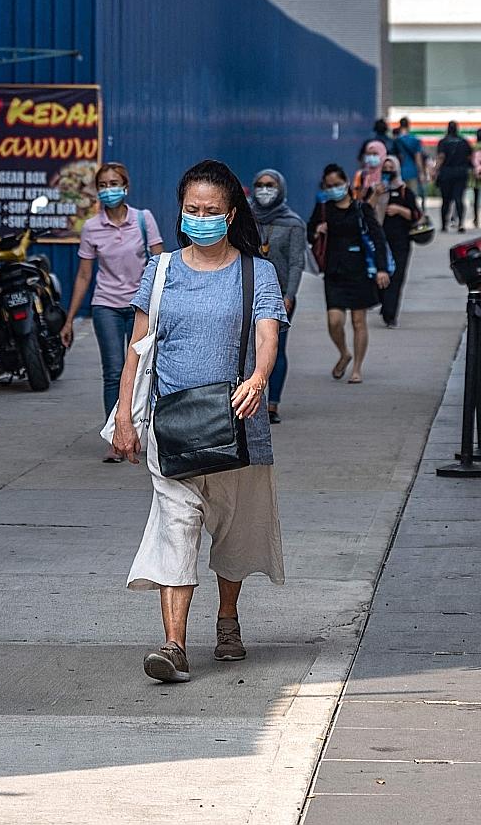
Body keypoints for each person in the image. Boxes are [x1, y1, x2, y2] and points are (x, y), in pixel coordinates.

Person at [111, 159, 288, 684]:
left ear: (231, 214)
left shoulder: (257, 271)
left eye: (212, 211)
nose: (201, 218)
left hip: (238, 421)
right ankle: (173, 644)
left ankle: (228, 618)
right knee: (177, 527)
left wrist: (258, 379)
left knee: (234, 532)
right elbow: (138, 350)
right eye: (192, 210)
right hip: (174, 425)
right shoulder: (161, 270)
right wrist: (125, 416)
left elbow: (267, 334)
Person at [62, 162, 164, 460]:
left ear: (126, 186)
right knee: (113, 371)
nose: (109, 189)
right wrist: (69, 319)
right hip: (105, 304)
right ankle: (116, 437)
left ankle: (149, 433)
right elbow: (83, 276)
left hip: (140, 308)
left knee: (145, 370)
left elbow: (161, 265)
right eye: (103, 185)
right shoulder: (92, 227)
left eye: (114, 183)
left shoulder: (144, 221)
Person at [307, 164, 392, 384]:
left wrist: (381, 268)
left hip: (359, 271)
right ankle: (344, 352)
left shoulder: (361, 209)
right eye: (329, 186)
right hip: (334, 272)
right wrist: (317, 230)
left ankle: (357, 368)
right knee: (334, 320)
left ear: (346, 183)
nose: (334, 188)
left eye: (337, 184)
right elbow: (309, 232)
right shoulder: (324, 209)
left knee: (358, 321)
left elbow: (378, 238)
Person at [249, 169, 305, 424]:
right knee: (248, 350)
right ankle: (250, 401)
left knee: (275, 348)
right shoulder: (245, 217)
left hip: (279, 295)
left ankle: (273, 404)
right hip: (248, 292)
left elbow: (296, 262)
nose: (264, 189)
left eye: (270, 185)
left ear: (280, 188)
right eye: (259, 184)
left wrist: (290, 294)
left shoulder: (293, 223)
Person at [378, 156, 419, 329]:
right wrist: (376, 195)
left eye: (391, 167)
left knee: (397, 278)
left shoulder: (405, 191)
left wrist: (399, 210)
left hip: (401, 241)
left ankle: (390, 315)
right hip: (380, 241)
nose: (388, 170)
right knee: (380, 276)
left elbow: (416, 215)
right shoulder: (377, 191)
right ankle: (385, 303)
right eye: (385, 167)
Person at [435, 121, 473, 231]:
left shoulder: (443, 142)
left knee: (445, 200)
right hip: (461, 173)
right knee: (459, 199)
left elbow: (441, 157)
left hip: (446, 174)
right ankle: (461, 224)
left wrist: (434, 170)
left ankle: (444, 225)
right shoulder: (464, 142)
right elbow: (470, 157)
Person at [391, 116, 428, 216]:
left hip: (399, 172)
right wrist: (421, 173)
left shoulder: (396, 141)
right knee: (412, 196)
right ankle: (412, 216)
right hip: (412, 172)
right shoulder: (415, 140)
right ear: (408, 125)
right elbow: (417, 158)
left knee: (401, 196)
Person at [353, 137, 390, 222]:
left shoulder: (387, 174)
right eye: (368, 154)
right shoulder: (361, 175)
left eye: (375, 154)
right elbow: (356, 197)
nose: (371, 157)